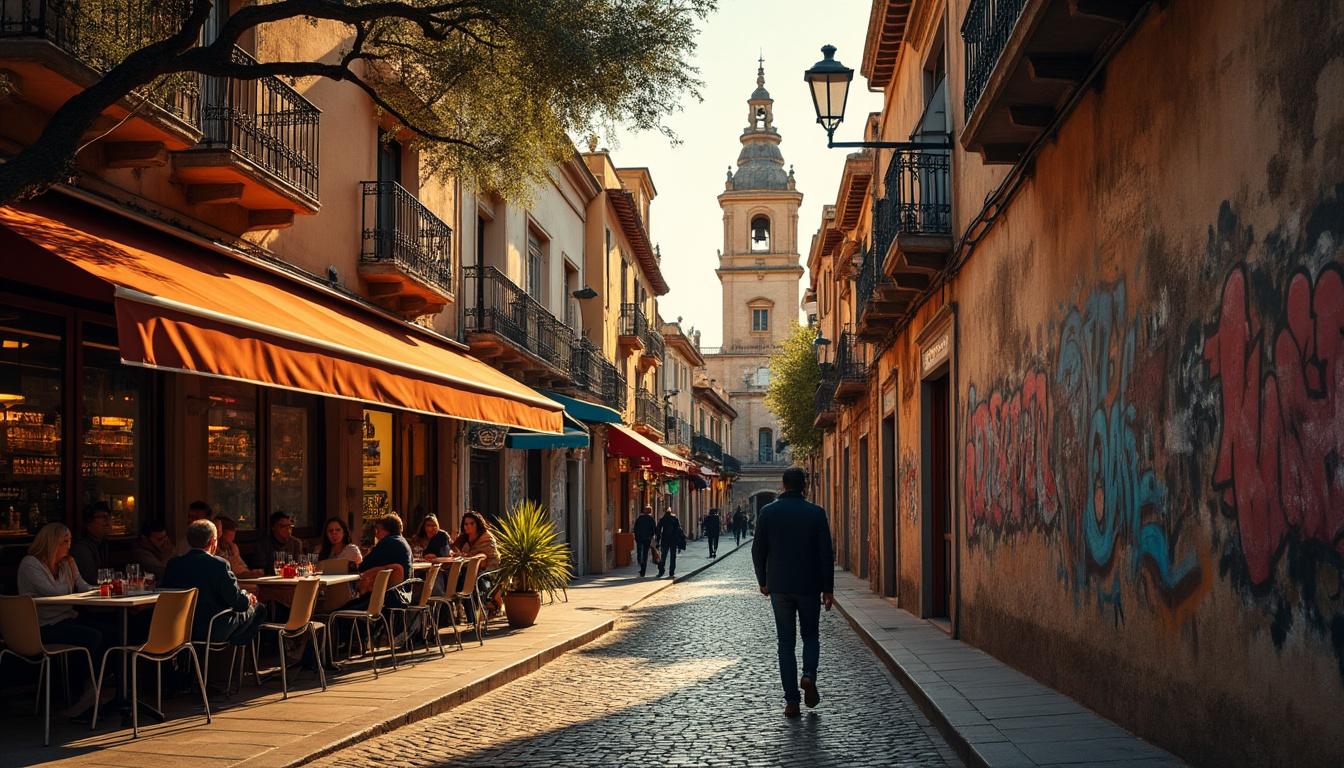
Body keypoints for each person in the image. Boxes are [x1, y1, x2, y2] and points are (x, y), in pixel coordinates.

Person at [752, 467, 835, 719]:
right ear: (804, 486)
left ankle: (791, 701)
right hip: (809, 586)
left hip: (780, 587)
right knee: (810, 636)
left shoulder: (768, 512)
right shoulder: (816, 513)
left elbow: (758, 550)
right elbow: (826, 553)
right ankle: (808, 675)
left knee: (785, 643)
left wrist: (763, 580)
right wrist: (828, 589)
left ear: (783, 484)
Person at [16, 523, 108, 716]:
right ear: (51, 542)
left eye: (70, 541)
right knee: (92, 636)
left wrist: (104, 588)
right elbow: (53, 592)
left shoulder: (66, 564)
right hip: (41, 627)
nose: (69, 546)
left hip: (65, 620)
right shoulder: (30, 564)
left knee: (110, 631)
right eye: (64, 542)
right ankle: (84, 693)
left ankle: (98, 689)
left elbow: (83, 586)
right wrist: (73, 578)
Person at [163, 519, 266, 647]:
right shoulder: (219, 565)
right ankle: (233, 653)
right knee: (259, 608)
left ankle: (223, 653)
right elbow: (239, 603)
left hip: (179, 630)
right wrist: (247, 597)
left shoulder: (173, 564)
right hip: (213, 630)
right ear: (213, 541)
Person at [352, 513, 413, 610]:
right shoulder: (404, 542)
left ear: (386, 530)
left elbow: (363, 567)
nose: (376, 534)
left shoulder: (387, 542)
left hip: (386, 601)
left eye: (378, 530)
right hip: (403, 596)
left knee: (339, 610)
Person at [452, 511, 499, 621]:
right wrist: (455, 553)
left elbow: (487, 560)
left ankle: (473, 617)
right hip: (468, 571)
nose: (468, 526)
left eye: (471, 523)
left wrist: (467, 556)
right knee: (453, 579)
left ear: (478, 524)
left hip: (486, 573)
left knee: (465, 581)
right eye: (465, 524)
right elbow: (453, 549)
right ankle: (458, 615)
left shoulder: (486, 537)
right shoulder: (464, 537)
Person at [70, 502, 111, 585]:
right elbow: (91, 579)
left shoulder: (103, 543)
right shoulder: (81, 548)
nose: (107, 520)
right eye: (102, 516)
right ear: (88, 524)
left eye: (108, 516)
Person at [654, 508, 683, 579]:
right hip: (673, 540)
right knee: (673, 557)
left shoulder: (663, 519)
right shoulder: (675, 518)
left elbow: (658, 530)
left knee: (663, 556)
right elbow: (679, 530)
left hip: (665, 540)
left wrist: (657, 541)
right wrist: (679, 542)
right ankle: (671, 573)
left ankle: (661, 571)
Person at [632, 506, 657, 577]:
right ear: (650, 511)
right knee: (645, 554)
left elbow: (635, 528)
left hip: (639, 538)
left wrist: (636, 537)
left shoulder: (640, 518)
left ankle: (640, 563)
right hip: (647, 539)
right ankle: (643, 570)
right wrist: (655, 537)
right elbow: (654, 529)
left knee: (639, 552)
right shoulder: (651, 519)